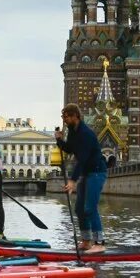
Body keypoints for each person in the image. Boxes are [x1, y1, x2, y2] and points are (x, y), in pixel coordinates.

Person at [55, 104, 108, 253]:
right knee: (79, 209)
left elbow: (82, 159)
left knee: (90, 208)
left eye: (66, 117)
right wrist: (59, 141)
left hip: (97, 172)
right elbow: (70, 149)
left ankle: (99, 243)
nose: (64, 120)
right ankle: (86, 241)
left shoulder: (85, 133)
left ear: (75, 116)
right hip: (86, 173)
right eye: (63, 117)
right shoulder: (73, 132)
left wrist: (72, 180)